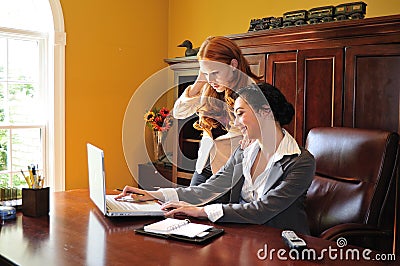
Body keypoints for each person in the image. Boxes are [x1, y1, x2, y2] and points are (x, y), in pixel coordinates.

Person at [116, 82, 316, 234]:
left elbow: (262, 209)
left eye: (239, 114)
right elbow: (211, 188)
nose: (236, 123)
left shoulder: (300, 162)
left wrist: (201, 211)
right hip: (242, 234)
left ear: (264, 112)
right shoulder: (245, 150)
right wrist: (156, 195)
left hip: (278, 243)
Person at [173, 36, 261, 186]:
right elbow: (179, 112)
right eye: (206, 73)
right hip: (204, 165)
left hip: (233, 172)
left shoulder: (252, 91)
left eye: (215, 72)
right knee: (187, 207)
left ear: (233, 65)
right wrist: (200, 81)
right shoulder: (208, 87)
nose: (211, 80)